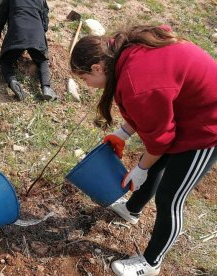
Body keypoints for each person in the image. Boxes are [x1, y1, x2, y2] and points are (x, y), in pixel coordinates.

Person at [70, 25, 217, 276]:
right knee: (153, 160)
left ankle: (151, 263)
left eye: (84, 79)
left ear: (96, 68)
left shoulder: (137, 81)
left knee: (170, 198)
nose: (86, 85)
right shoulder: (121, 52)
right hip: (186, 109)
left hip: (208, 126)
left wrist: (140, 169)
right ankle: (132, 210)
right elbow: (156, 107)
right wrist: (124, 132)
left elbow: (159, 140)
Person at [0, 0, 58, 101]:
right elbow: (45, 19)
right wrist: (41, 33)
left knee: (5, 62)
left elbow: (1, 17)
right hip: (36, 34)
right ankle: (46, 88)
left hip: (17, 34)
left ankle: (12, 81)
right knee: (42, 61)